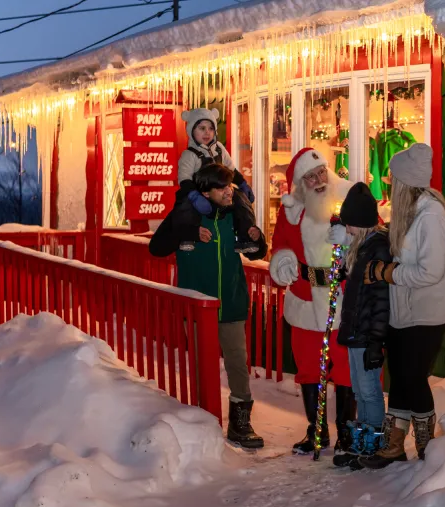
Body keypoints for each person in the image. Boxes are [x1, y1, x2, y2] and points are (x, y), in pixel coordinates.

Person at [149, 164, 268, 449]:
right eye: (223, 188)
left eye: (230, 186)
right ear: (206, 192)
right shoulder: (185, 214)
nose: (230, 192)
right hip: (198, 307)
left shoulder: (235, 215)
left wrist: (256, 238)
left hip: (232, 301)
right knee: (203, 365)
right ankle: (206, 421)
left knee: (238, 364)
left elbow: (259, 251)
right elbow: (157, 247)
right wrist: (188, 232)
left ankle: (241, 423)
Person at [358, 143, 445, 470]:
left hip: (426, 316)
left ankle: (429, 447)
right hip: (403, 315)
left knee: (412, 379)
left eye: (393, 181)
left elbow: (431, 272)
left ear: (406, 183)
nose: (390, 186)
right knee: (399, 378)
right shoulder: (410, 213)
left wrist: (387, 273)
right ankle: (394, 445)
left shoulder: (431, 216)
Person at [268, 148, 356, 455]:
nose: (319, 180)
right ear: (300, 183)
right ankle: (316, 430)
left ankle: (346, 430)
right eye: (311, 176)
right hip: (305, 299)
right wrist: (282, 261)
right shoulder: (290, 211)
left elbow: (371, 239)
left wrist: (349, 241)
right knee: (308, 368)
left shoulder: (346, 204)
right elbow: (279, 244)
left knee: (344, 367)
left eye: (321, 172)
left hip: (341, 297)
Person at [327, 182, 391, 469]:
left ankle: (374, 442)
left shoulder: (377, 249)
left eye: (350, 224)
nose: (347, 229)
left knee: (369, 390)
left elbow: (380, 299)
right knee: (358, 390)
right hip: (355, 330)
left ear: (362, 223)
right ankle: (363, 438)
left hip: (367, 334)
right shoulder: (360, 249)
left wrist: (377, 338)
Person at [179, 107, 258, 254]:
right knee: (184, 202)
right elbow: (184, 179)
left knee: (241, 199)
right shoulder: (189, 155)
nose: (207, 132)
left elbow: (231, 169)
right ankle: (188, 236)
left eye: (210, 128)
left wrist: (242, 184)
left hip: (220, 191)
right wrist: (195, 196)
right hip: (198, 192)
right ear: (191, 130)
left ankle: (245, 237)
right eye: (202, 128)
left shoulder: (220, 149)